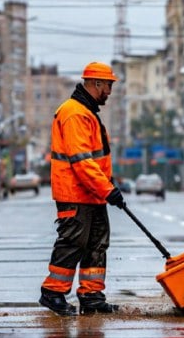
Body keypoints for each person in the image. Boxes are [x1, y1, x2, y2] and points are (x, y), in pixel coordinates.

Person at [39, 61, 126, 316]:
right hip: (76, 193)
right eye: (108, 86)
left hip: (92, 193)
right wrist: (107, 189)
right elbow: (81, 161)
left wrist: (106, 187)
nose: (109, 92)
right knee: (74, 241)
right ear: (95, 83)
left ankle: (91, 296)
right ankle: (53, 293)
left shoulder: (87, 112)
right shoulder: (74, 113)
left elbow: (94, 160)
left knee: (97, 243)